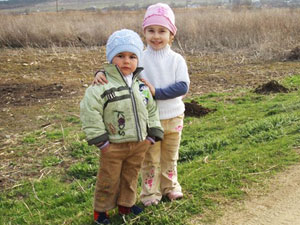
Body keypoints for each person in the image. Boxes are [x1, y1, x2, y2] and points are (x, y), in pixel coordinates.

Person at [93, 3, 190, 207]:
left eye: (162, 31)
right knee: (149, 160)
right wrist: (100, 74)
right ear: (144, 32)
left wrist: (157, 93)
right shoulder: (139, 58)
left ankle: (171, 187)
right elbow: (119, 71)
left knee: (170, 157)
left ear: (172, 34)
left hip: (174, 118)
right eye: (151, 30)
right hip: (147, 122)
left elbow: (183, 86)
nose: (156, 36)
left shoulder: (177, 60)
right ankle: (150, 193)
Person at [80, 29, 164, 224]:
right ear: (111, 59)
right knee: (108, 179)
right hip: (113, 146)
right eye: (120, 55)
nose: (127, 61)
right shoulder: (101, 85)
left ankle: (126, 204)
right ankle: (101, 212)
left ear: (138, 60)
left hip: (138, 144)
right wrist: (102, 142)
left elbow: (151, 109)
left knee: (131, 176)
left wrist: (152, 134)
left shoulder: (141, 86)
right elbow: (90, 112)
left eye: (132, 56)